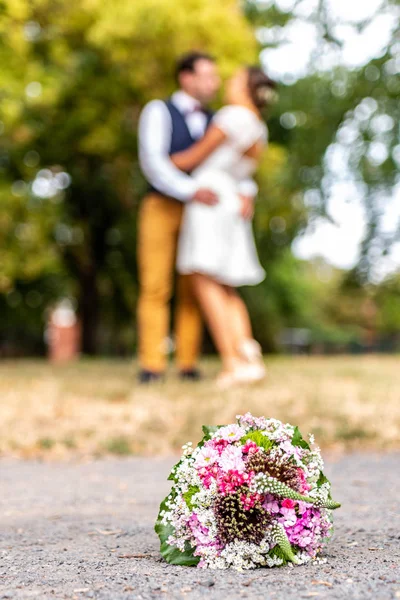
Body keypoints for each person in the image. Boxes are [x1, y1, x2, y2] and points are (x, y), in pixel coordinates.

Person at [137, 52, 258, 383]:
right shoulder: (158, 111)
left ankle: (188, 363)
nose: (214, 83)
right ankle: (152, 365)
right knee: (155, 285)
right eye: (207, 76)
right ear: (186, 77)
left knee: (197, 284)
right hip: (162, 204)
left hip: (205, 211)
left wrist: (248, 189)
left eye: (216, 77)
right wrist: (190, 189)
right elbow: (153, 161)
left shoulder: (220, 119)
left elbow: (236, 165)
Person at [173, 67, 277, 388]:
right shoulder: (259, 127)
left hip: (210, 198)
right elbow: (245, 173)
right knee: (228, 284)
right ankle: (247, 357)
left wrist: (158, 162)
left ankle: (231, 363)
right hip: (232, 200)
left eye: (233, 79)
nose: (227, 84)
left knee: (205, 278)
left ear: (246, 87)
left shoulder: (231, 116)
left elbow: (192, 158)